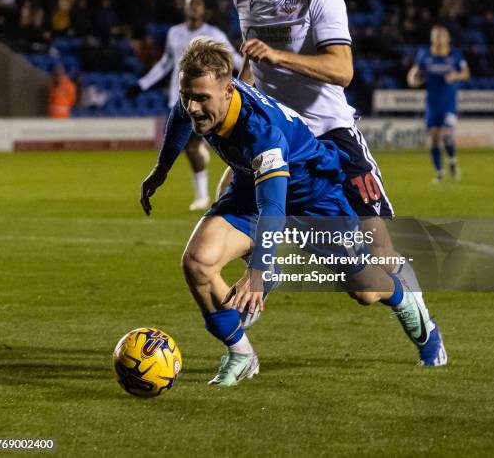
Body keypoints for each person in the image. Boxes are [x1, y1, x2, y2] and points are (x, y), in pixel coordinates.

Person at [139, 38, 447, 387]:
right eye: (188, 95)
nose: (193, 107)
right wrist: (162, 168)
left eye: (202, 99)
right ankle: (241, 355)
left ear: (227, 91)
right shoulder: (201, 98)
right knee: (198, 262)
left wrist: (256, 271)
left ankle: (409, 305)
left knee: (365, 291)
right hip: (251, 187)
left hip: (314, 197)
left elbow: (274, 207)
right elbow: (179, 114)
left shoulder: (261, 132)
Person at [221, 0, 442, 353]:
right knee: (229, 206)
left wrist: (279, 56)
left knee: (374, 265)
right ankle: (267, 269)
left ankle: (416, 314)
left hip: (332, 136)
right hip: (278, 138)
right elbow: (252, 69)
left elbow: (343, 70)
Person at [129, 0, 242, 211]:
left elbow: (234, 60)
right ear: (185, 8)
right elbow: (165, 64)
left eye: (198, 5)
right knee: (189, 147)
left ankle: (235, 185)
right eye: (190, 5)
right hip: (180, 99)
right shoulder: (174, 33)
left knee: (226, 145)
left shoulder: (213, 34)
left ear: (204, 9)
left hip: (207, 99)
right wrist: (142, 84)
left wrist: (253, 68)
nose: (194, 9)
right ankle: (202, 195)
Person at [407, 25, 470, 182]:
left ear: (448, 38)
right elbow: (413, 74)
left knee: (446, 134)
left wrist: (455, 76)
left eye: (442, 36)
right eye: (436, 36)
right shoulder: (425, 55)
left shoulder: (455, 55)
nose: (439, 39)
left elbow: (466, 73)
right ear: (432, 38)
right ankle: (440, 173)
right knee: (434, 138)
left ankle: (452, 160)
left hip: (449, 103)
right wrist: (413, 79)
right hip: (432, 103)